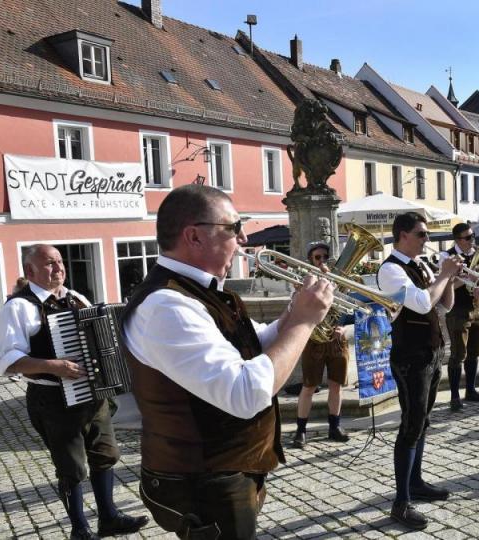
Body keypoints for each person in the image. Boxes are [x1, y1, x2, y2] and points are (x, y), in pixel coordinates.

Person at [121, 184, 333, 539]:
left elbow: (256, 344)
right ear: (194, 236)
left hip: (224, 471)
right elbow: (245, 394)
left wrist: (291, 314)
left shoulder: (202, 290)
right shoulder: (167, 305)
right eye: (233, 228)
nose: (243, 239)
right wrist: (304, 323)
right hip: (201, 481)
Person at [0, 244, 148, 540]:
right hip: (52, 399)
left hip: (94, 395)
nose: (58, 268)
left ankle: (109, 518)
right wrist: (54, 365)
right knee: (71, 467)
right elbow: (9, 361)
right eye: (49, 264)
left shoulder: (77, 298)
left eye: (60, 262)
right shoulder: (18, 307)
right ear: (30, 271)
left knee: (105, 455)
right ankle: (80, 529)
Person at [377, 211, 462, 531]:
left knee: (423, 421)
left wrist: (449, 278)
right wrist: (443, 276)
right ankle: (400, 503)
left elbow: (445, 306)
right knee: (410, 425)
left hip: (432, 351)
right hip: (409, 357)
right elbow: (422, 304)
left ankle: (416, 483)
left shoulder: (421, 264)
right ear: (403, 236)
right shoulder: (390, 271)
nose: (427, 239)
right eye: (422, 234)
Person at [291, 241, 351, 448]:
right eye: (318, 258)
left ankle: (335, 426)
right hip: (313, 341)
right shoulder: (304, 283)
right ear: (311, 261)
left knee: (336, 385)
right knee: (309, 386)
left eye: (326, 257)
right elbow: (294, 310)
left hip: (336, 341)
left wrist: (344, 329)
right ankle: (301, 431)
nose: (323, 261)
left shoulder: (340, 282)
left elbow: (352, 311)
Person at [440, 223, 479, 412]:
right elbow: (446, 286)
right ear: (457, 239)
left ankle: (470, 390)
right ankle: (454, 396)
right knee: (458, 354)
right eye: (467, 238)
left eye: (473, 236)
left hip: (477, 308)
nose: (472, 241)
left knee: (474, 351)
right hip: (457, 310)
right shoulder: (447, 257)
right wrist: (464, 279)